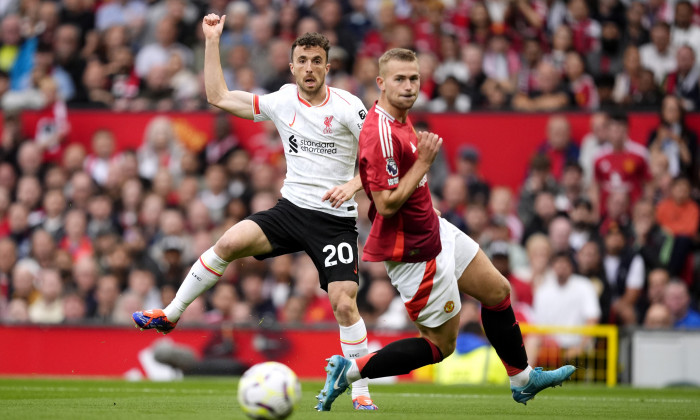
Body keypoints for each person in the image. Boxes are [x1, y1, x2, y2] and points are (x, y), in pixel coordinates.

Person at [133, 15, 378, 410]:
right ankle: (172, 313)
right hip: (291, 209)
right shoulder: (281, 100)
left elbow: (379, 158)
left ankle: (362, 391)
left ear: (328, 67)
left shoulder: (349, 106)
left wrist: (352, 185)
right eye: (303, 60)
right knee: (229, 242)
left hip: (334, 222)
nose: (310, 68)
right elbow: (218, 96)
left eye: (317, 60)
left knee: (344, 302)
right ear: (292, 65)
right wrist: (212, 41)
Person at [315, 48, 574, 412]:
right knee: (440, 346)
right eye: (399, 79)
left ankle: (523, 380)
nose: (408, 86)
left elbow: (399, 186)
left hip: (433, 228)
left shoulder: (400, 118)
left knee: (498, 290)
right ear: (381, 84)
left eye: (414, 78)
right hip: (415, 253)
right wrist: (423, 164)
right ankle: (350, 371)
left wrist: (424, 201)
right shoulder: (380, 133)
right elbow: (387, 204)